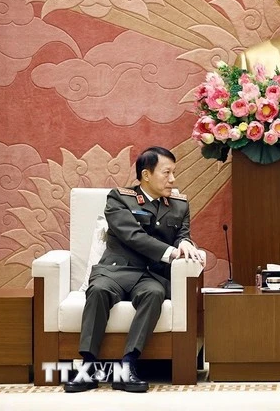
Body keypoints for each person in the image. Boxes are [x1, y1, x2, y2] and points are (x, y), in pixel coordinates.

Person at [64, 146, 205, 393]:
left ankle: (128, 366)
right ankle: (88, 366)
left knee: (154, 294)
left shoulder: (180, 205)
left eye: (174, 172)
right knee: (97, 290)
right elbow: (133, 235)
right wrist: (172, 252)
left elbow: (182, 234)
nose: (173, 179)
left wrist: (184, 242)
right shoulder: (119, 198)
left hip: (149, 275)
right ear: (146, 174)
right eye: (167, 172)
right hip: (114, 271)